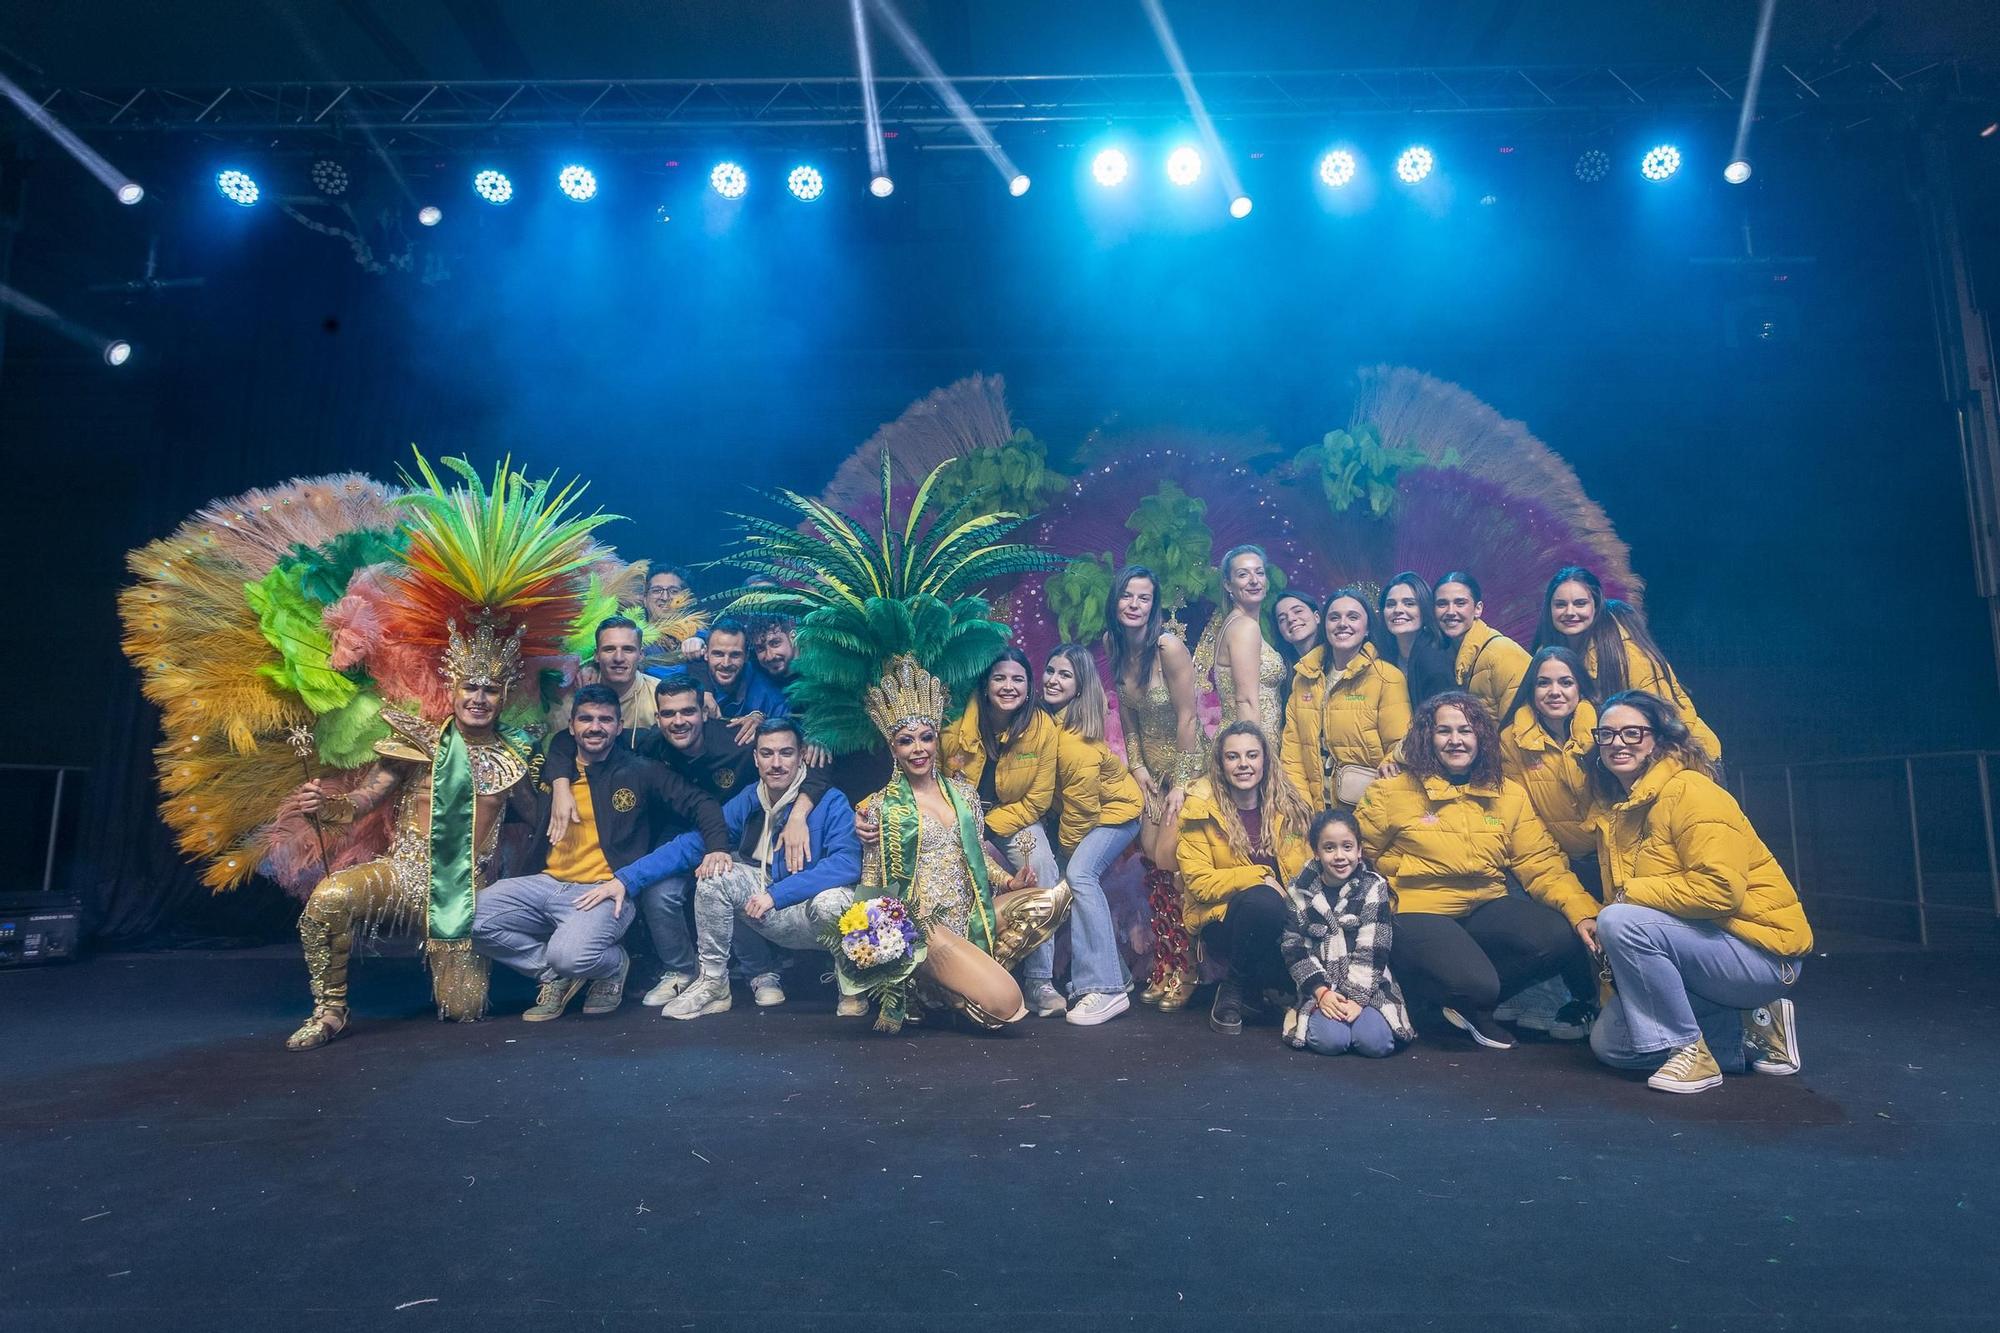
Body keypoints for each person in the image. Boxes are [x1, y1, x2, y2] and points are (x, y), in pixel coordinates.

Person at [282, 617, 535, 1050]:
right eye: (469, 688)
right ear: (452, 691)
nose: (478, 698)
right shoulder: (415, 745)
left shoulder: (517, 757)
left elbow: (541, 821)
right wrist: (326, 806)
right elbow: (363, 800)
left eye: (489, 689)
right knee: (329, 898)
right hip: (403, 874)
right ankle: (330, 1011)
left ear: (504, 696)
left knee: (464, 1011)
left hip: (466, 892)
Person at [542, 670, 821, 1009]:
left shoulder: (738, 738)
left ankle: (760, 971)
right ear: (657, 717)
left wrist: (798, 813)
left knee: (732, 883)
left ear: (704, 712)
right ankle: (680, 970)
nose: (679, 721)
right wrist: (559, 783)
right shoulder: (649, 744)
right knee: (659, 893)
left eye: (687, 711)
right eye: (669, 714)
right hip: (682, 837)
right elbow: (564, 741)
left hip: (736, 835)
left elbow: (804, 763)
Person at [1586, 690, 1810, 1094]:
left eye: (1632, 733)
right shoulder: (1621, 810)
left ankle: (1691, 1053)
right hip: (1705, 950)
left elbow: (1720, 890)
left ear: (1660, 740)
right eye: (1606, 734)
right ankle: (1751, 1030)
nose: (1617, 743)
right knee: (1612, 1046)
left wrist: (1627, 895)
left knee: (1619, 918)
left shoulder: (1691, 791)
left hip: (1763, 954)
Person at [1356, 691, 1602, 1050]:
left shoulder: (1508, 794)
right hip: (1416, 908)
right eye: (1444, 731)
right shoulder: (1391, 792)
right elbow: (1358, 859)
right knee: (1477, 985)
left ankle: (1460, 1002)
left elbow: (1543, 864)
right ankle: (1441, 998)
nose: (1455, 740)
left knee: (1559, 935)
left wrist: (1581, 913)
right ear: (1427, 737)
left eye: (1466, 731)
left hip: (1484, 903)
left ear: (1481, 738)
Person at [473, 685, 734, 1022]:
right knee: (464, 918)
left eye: (605, 720)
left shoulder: (639, 770)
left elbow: (702, 802)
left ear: (618, 726)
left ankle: (611, 966)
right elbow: (552, 752)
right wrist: (560, 784)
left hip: (603, 890)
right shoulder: (554, 770)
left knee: (568, 954)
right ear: (571, 726)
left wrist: (717, 848)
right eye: (586, 719)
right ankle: (555, 975)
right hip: (545, 882)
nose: (595, 727)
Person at [853, 655, 1072, 1030]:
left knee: (1053, 898)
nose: (918, 749)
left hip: (972, 917)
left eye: (926, 737)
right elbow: (872, 886)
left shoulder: (963, 795)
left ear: (937, 738)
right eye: (906, 741)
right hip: (928, 930)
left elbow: (974, 858)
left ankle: (959, 986)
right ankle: (937, 986)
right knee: (1005, 1005)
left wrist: (1007, 882)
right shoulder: (880, 808)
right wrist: (883, 959)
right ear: (893, 749)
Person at [661, 718, 865, 1021]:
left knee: (833, 901)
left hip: (812, 913)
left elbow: (847, 863)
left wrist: (777, 894)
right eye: (767, 754)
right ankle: (714, 983)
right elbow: (695, 843)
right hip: (769, 911)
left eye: (786, 753)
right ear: (755, 758)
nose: (776, 763)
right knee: (715, 872)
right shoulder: (750, 798)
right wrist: (626, 879)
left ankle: (851, 984)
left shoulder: (831, 801)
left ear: (801, 755)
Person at [1103, 566, 1206, 1010]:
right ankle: (1165, 961)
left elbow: (1189, 718)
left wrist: (1182, 783)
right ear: (1116, 600)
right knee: (1152, 864)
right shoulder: (1113, 644)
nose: (1134, 605)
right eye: (1127, 596)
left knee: (1172, 860)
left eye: (1144, 599)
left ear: (1154, 605)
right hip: (1152, 775)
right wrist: (1139, 769)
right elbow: (1128, 718)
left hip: (1190, 771)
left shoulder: (1168, 646)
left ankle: (1189, 968)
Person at [942, 647, 1066, 1015]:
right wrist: (967, 829)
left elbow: (1038, 800)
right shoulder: (954, 726)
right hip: (957, 817)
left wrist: (987, 828)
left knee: (1043, 864)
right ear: (985, 684)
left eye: (1017, 679)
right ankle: (962, 977)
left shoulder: (1044, 728)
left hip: (1015, 816)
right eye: (1000, 678)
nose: (1008, 686)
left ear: (1029, 688)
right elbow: (937, 783)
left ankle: (1039, 982)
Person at [1178, 721, 1314, 1036]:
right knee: (1263, 901)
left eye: (1252, 755)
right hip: (1224, 921)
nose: (1243, 764)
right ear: (1220, 764)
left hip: (1286, 925)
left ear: (1265, 761)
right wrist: (1261, 875)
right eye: (1233, 757)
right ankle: (1234, 987)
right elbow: (1200, 884)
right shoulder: (1200, 812)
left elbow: (1309, 869)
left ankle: (1255, 991)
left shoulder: (1289, 808)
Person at [1494, 646, 1603, 1039]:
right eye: (1543, 682)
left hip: (1613, 856)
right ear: (1530, 690)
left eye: (1565, 682)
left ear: (1580, 689)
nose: (1554, 691)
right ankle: (1567, 998)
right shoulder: (1511, 742)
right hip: (1557, 855)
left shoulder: (1606, 729)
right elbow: (1526, 822)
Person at [1034, 643, 1145, 1026]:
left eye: (1065, 675)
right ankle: (1119, 977)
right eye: (1050, 670)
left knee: (1080, 874)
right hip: (1099, 814)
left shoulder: (1074, 742)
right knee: (1078, 875)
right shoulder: (1051, 723)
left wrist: (1066, 852)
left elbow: (1081, 811)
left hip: (1119, 814)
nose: (1053, 679)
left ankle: (1106, 989)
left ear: (1080, 687)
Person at [1536, 565, 1722, 762]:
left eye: (1580, 603)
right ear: (1549, 608)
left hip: (1688, 756)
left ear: (1596, 605)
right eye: (1560, 605)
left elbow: (1667, 718)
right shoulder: (1547, 656)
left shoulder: (1627, 653)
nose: (1570, 612)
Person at [1279, 809, 1414, 1057]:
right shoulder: (1299, 891)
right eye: (1329, 848)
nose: (1340, 856)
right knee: (1332, 1041)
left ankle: (1364, 1023)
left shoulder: (1374, 887)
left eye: (1347, 847)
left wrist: (1356, 999)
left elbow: (1374, 949)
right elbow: (1294, 948)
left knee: (1375, 1043)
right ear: (1317, 853)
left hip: (1369, 986)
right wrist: (1322, 992)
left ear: (1359, 850)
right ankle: (1322, 1020)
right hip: (1321, 988)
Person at [1281, 586, 1410, 811]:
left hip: (1366, 808)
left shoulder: (1387, 678)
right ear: (1325, 625)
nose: (1343, 624)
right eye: (1334, 617)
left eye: (1353, 617)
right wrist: (1302, 808)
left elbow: (1398, 748)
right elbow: (1293, 754)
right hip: (1313, 810)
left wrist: (1373, 808)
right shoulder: (1304, 678)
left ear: (1367, 628)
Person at [1433, 571, 1532, 728]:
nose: (1450, 611)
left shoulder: (1502, 652)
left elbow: (1521, 728)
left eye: (1460, 603)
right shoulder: (1447, 654)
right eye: (1442, 604)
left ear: (1478, 609)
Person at [1212, 544, 1286, 739]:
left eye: (1259, 573)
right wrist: (1255, 757)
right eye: (1243, 575)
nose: (1254, 581)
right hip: (1250, 742)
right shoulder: (1244, 627)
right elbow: (1245, 701)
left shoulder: (1237, 623)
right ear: (1228, 584)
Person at [550, 615, 658, 744]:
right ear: (596, 655)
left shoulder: (658, 696)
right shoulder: (570, 698)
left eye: (628, 649)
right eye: (609, 649)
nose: (618, 658)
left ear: (640, 655)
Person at [1372, 571, 1456, 710]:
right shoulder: (1383, 655)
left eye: (1409, 603)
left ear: (1424, 610)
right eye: (1390, 604)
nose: (1398, 610)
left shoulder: (1435, 661)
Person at [701, 616, 789, 741]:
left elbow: (790, 732)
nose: (726, 663)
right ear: (705, 653)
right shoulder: (690, 672)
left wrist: (763, 720)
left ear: (747, 656)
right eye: (718, 654)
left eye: (735, 655)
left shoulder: (769, 695)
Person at [642, 564, 704, 672]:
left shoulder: (704, 638)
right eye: (656, 590)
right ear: (645, 600)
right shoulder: (633, 641)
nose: (665, 597)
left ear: (687, 599)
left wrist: (702, 641)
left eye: (674, 591)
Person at [1271, 590, 1322, 713]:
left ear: (1317, 617)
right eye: (1282, 619)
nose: (1291, 619)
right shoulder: (1284, 675)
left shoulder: (1338, 660)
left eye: (1298, 611)